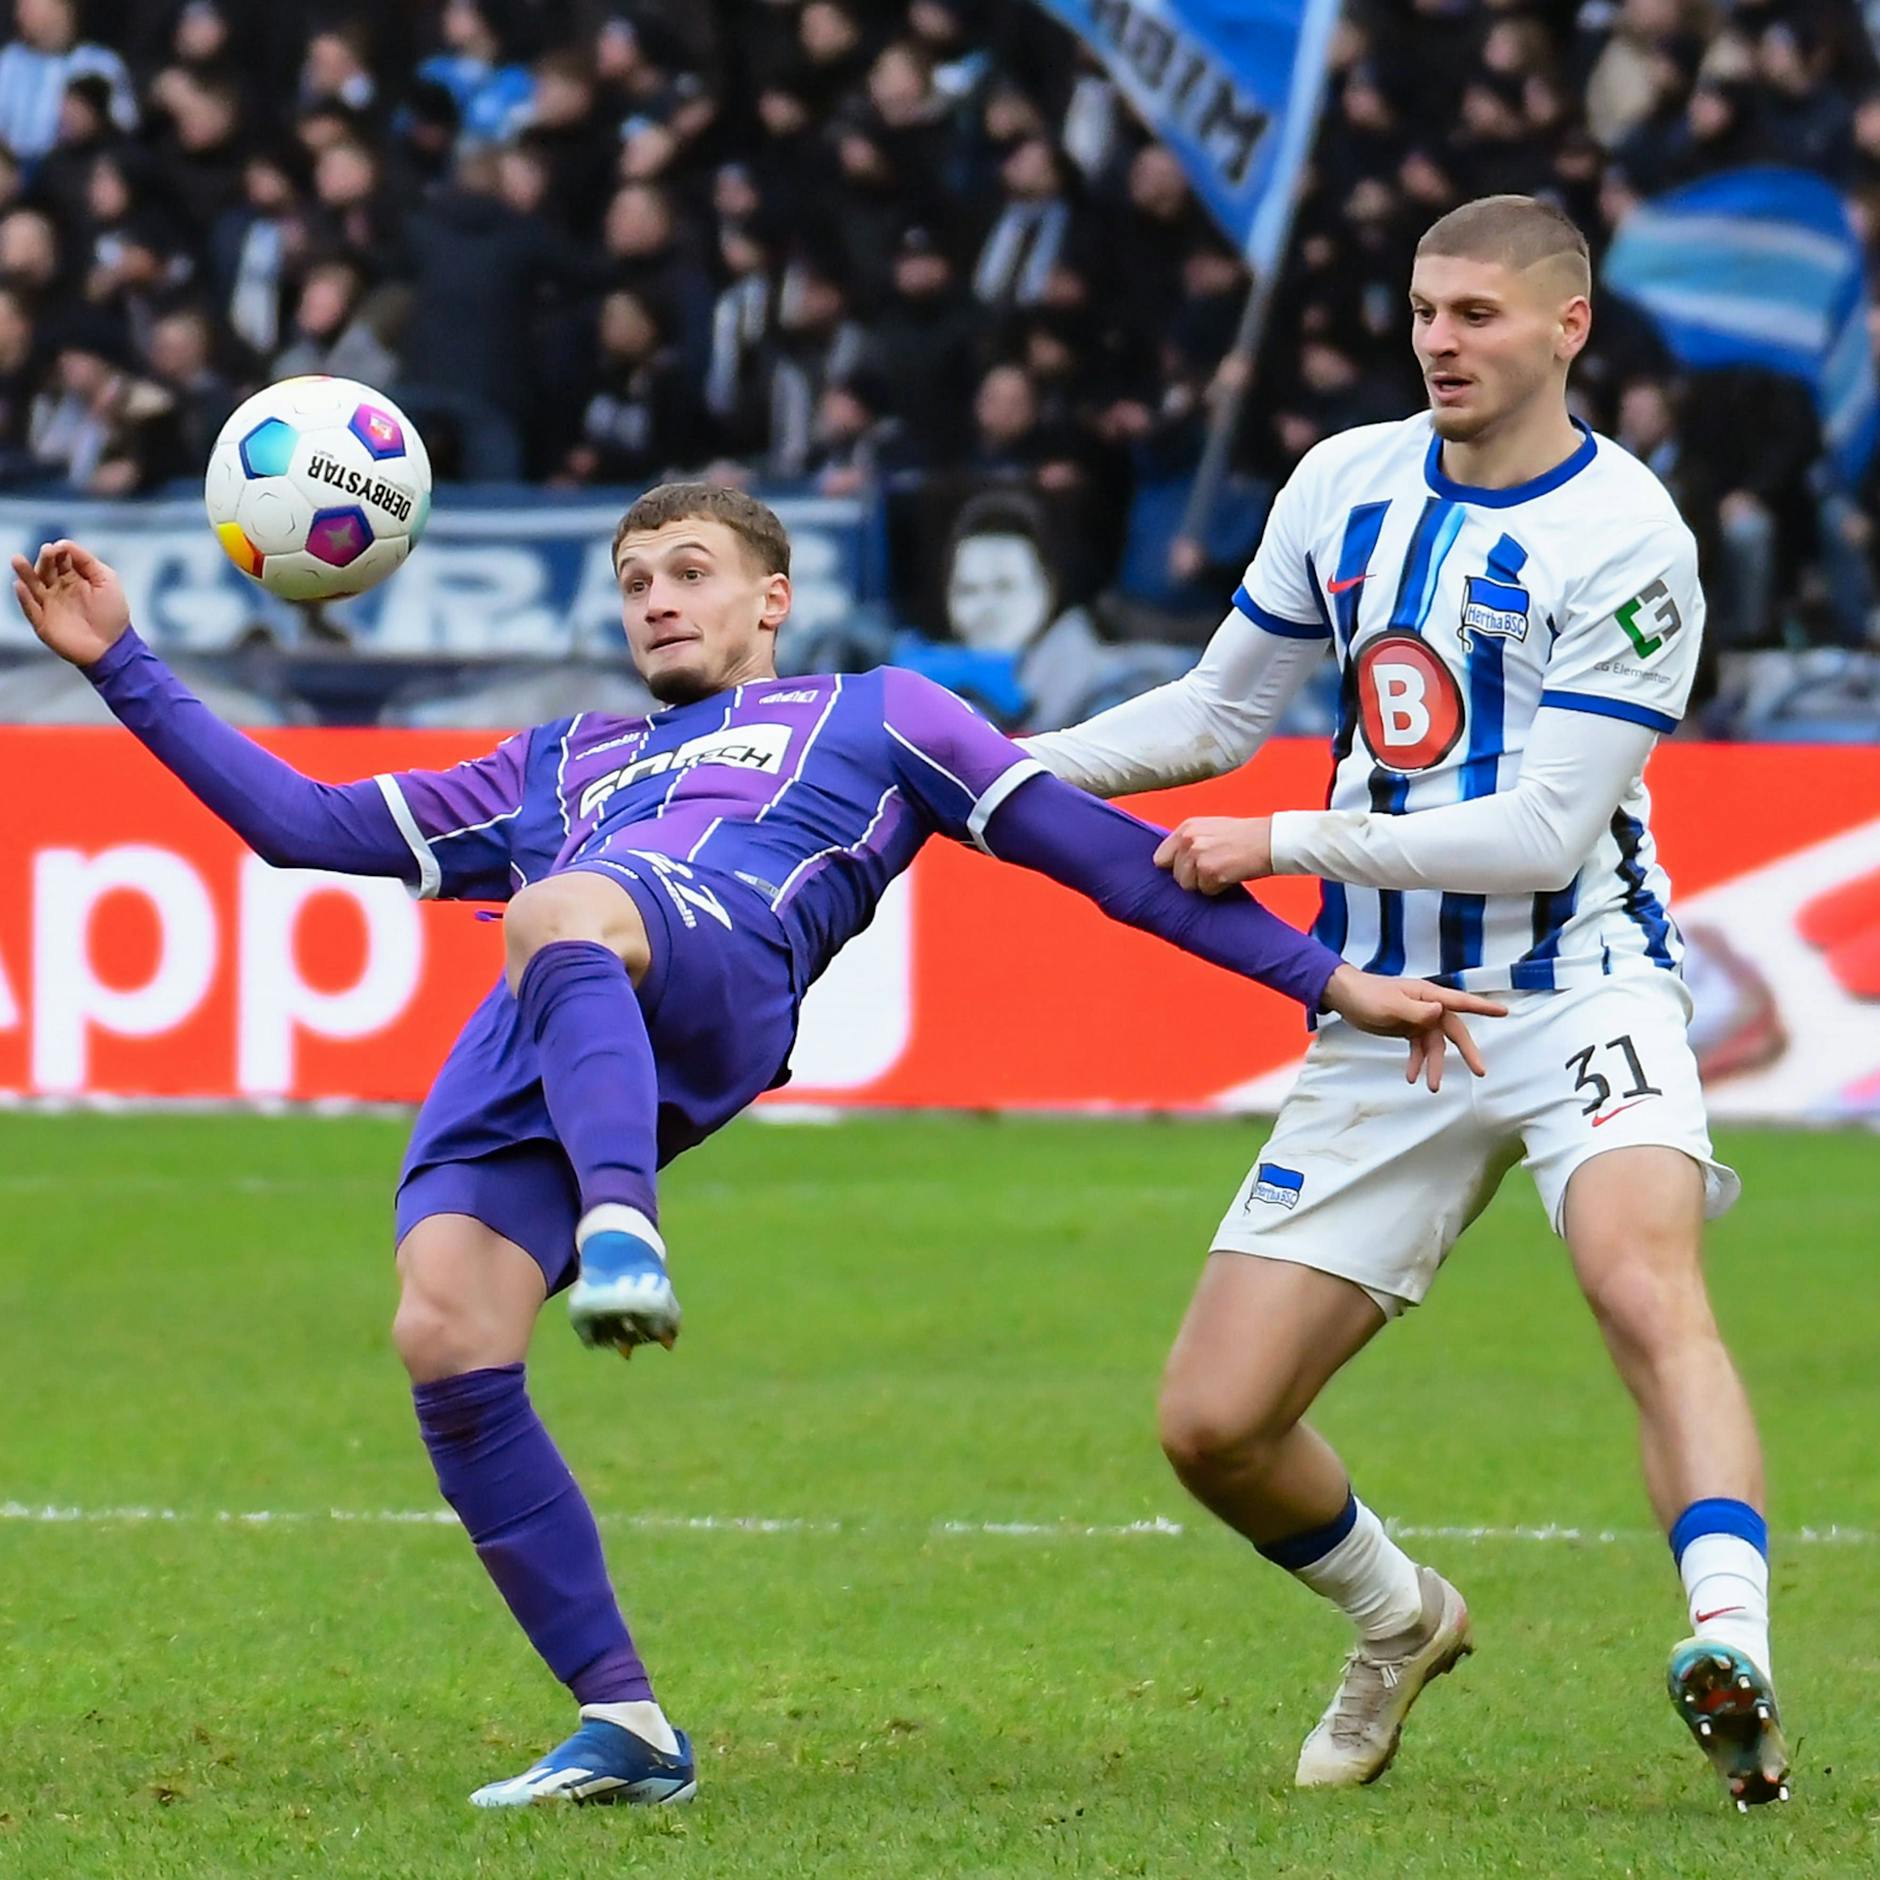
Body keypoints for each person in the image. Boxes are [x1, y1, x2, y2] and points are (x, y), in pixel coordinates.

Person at [11, 482, 1500, 1812]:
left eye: (692, 569)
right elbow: (302, 826)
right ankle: (625, 1723)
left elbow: (1110, 864)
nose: (659, 595)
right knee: (445, 1334)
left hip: (718, 964)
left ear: (770, 598)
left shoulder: (882, 713)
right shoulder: (561, 758)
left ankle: (621, 1228)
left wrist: (1330, 981)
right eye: (637, 577)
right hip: (547, 1028)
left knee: (560, 911)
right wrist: (119, 665)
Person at [1024, 195, 1788, 1812]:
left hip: (1582, 990)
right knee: (1214, 1424)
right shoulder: (1344, 483)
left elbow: (1543, 834)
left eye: (1477, 315)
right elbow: (1220, 711)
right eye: (1426, 311)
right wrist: (991, 777)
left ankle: (1734, 1650)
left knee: (1645, 1294)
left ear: (1567, 327)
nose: (1440, 339)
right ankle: (1400, 1619)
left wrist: (1283, 841)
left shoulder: (1632, 537)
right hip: (1388, 1021)